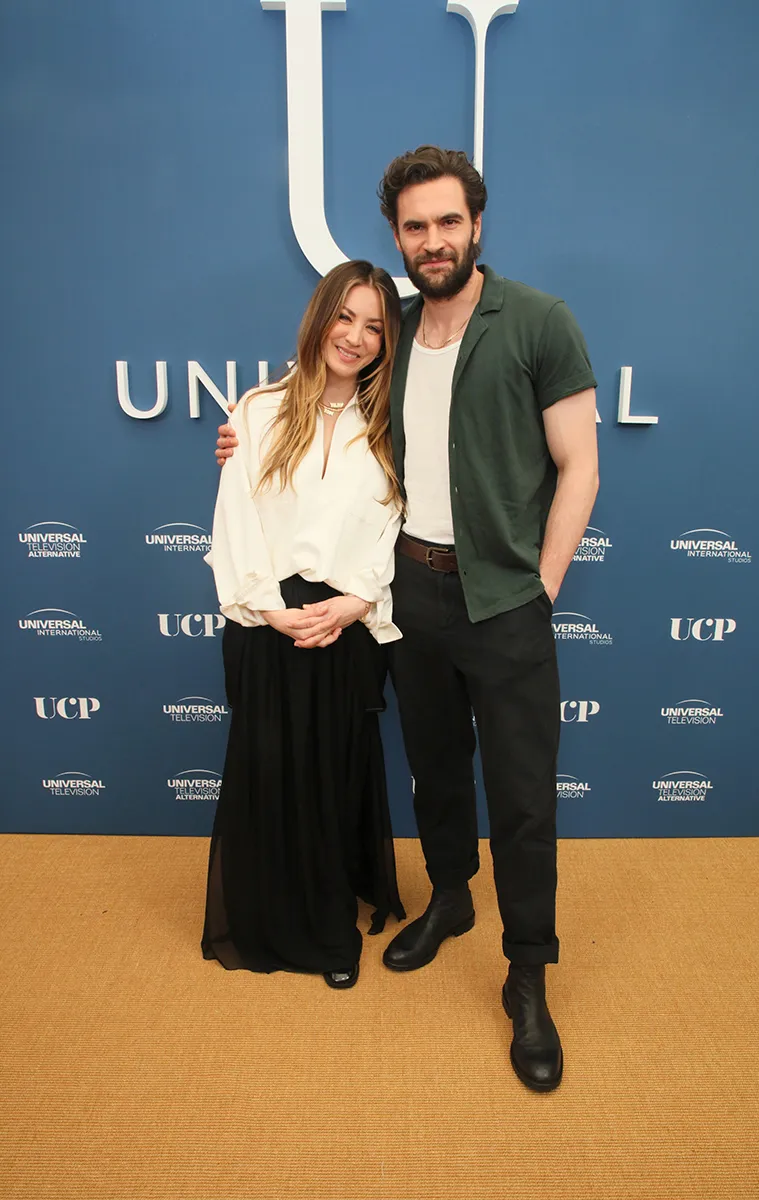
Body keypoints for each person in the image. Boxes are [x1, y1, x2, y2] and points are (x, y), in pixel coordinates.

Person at [217, 147, 599, 1089]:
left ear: (478, 224)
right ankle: (451, 900)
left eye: (448, 222)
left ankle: (527, 975)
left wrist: (542, 589)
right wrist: (244, 431)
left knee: (522, 800)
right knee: (435, 772)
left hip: (505, 601)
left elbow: (580, 468)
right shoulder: (393, 335)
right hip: (411, 594)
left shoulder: (539, 321)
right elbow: (320, 416)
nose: (434, 241)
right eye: (415, 226)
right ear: (397, 236)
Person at [203, 259, 406, 990]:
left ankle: (327, 930)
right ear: (320, 317)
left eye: (374, 327)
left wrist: (357, 602)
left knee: (330, 779)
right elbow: (235, 519)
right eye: (345, 316)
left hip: (346, 625)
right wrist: (270, 611)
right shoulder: (258, 411)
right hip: (268, 621)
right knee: (269, 772)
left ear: (387, 342)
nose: (355, 337)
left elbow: (395, 528)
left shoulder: (391, 426)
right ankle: (266, 917)